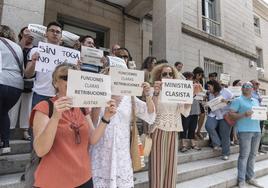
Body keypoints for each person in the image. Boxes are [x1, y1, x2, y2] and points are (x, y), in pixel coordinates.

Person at [30, 63, 117, 187]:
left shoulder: (82, 107)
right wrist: (55, 117)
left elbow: (93, 139)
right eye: (65, 77)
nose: (71, 81)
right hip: (54, 181)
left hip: (84, 178)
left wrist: (106, 118)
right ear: (55, 83)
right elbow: (40, 150)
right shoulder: (44, 107)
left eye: (75, 78)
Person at [91, 47, 156, 188]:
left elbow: (150, 113)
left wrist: (148, 94)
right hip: (101, 148)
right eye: (112, 72)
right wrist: (98, 101)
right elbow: (92, 123)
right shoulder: (98, 92)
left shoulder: (130, 96)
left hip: (122, 150)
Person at [149, 64, 191, 188]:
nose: (168, 76)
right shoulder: (154, 90)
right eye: (164, 74)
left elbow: (185, 111)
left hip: (174, 130)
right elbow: (152, 111)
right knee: (158, 166)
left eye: (170, 74)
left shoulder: (178, 90)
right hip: (158, 129)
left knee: (171, 166)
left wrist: (190, 96)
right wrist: (156, 93)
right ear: (159, 76)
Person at [229, 82, 264, 188]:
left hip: (257, 131)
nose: (247, 88)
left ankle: (251, 178)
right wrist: (244, 114)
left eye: (249, 86)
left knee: (253, 155)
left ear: (253, 89)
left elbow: (258, 114)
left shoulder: (256, 101)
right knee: (244, 156)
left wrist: (263, 114)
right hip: (244, 131)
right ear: (242, 89)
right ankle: (241, 180)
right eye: (244, 86)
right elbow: (231, 115)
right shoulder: (237, 100)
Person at [25, 21, 63, 108]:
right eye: (52, 31)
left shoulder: (67, 55)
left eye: (58, 32)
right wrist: (33, 63)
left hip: (60, 96)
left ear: (61, 36)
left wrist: (77, 67)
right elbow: (27, 74)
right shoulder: (35, 51)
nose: (55, 33)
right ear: (46, 34)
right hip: (40, 94)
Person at [0, 25, 24, 154]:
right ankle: (5, 144)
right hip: (16, 85)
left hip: (2, 80)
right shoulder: (17, 47)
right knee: (4, 113)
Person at [205, 80, 233, 160]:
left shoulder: (226, 92)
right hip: (214, 114)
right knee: (208, 126)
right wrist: (206, 104)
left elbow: (234, 100)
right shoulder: (210, 94)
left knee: (225, 135)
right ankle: (217, 142)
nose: (208, 88)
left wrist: (227, 101)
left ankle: (225, 153)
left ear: (214, 86)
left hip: (225, 115)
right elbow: (212, 104)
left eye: (209, 87)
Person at [18, 27, 34, 140]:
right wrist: (24, 37)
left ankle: (25, 131)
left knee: (27, 106)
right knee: (12, 107)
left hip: (29, 80)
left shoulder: (36, 49)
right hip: (16, 78)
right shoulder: (18, 45)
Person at [180, 71, 201, 152]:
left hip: (195, 109)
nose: (191, 79)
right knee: (184, 126)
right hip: (186, 109)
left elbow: (201, 95)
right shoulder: (182, 87)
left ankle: (193, 143)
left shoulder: (195, 85)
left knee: (193, 127)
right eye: (190, 78)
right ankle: (183, 144)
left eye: (191, 78)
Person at [250, 80, 267, 154]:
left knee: (259, 132)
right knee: (253, 132)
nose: (258, 86)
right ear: (252, 85)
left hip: (260, 114)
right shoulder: (250, 93)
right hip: (253, 115)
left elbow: (262, 103)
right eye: (256, 84)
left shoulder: (258, 93)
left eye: (258, 84)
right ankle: (253, 149)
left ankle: (259, 147)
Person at [192, 67, 206, 140]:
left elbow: (202, 91)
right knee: (193, 117)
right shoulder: (191, 80)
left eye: (201, 75)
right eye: (198, 74)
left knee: (202, 114)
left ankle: (198, 131)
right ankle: (192, 132)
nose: (200, 76)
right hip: (192, 101)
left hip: (199, 100)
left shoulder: (201, 81)